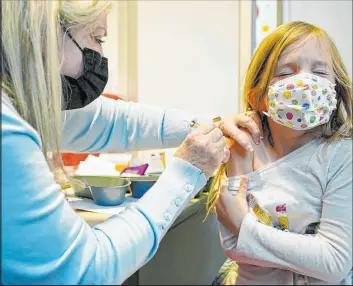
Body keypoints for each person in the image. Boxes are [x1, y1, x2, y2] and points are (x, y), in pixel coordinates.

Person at [1, 1, 262, 284]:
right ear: (44, 34)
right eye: (96, 37)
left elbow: (113, 122)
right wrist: (185, 173)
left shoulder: (21, 104)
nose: (100, 54)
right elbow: (84, 271)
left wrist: (209, 124)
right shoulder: (8, 133)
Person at [209, 21, 352, 285]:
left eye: (319, 72)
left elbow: (333, 263)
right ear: (257, 95)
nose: (304, 82)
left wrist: (246, 227)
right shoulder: (244, 146)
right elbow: (233, 246)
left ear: (336, 88)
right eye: (285, 73)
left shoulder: (342, 154)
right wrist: (305, 253)